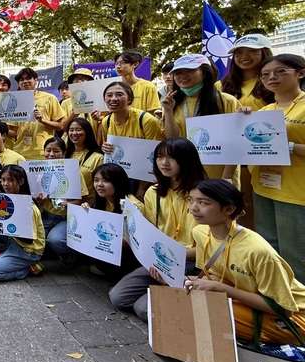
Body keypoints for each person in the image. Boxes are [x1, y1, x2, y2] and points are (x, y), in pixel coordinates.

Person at [174, 179, 305, 344]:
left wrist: (222, 289)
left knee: (207, 310)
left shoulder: (257, 251)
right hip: (251, 303)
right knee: (188, 300)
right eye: (191, 200)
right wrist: (183, 280)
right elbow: (220, 277)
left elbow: (284, 310)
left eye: (203, 202)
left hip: (296, 316)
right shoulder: (200, 233)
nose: (193, 207)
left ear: (229, 209)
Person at [108, 137, 206, 321]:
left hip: (192, 261)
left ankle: (179, 292)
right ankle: (167, 291)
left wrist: (176, 256)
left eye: (171, 158)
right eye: (159, 157)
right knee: (118, 297)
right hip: (160, 258)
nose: (164, 163)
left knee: (143, 309)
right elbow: (150, 232)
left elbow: (211, 245)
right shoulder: (154, 192)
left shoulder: (203, 195)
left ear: (187, 160)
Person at [247, 53, 305, 281]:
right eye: (265, 74)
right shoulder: (264, 111)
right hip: (263, 188)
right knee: (269, 249)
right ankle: (277, 297)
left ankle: (298, 302)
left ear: (301, 73)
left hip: (295, 193)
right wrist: (242, 121)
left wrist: (288, 146)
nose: (272, 77)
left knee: (296, 256)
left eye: (280, 71)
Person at [219, 34, 275, 229]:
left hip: (266, 155)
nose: (244, 56)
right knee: (241, 205)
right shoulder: (221, 85)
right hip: (233, 158)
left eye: (252, 51)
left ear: (265, 53)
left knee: (265, 208)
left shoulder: (273, 83)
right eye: (239, 53)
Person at [161, 54, 239, 183]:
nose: (183, 76)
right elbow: (172, 139)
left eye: (190, 70)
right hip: (184, 174)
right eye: (178, 72)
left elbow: (236, 142)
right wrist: (168, 111)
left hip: (218, 175)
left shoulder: (226, 101)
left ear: (205, 72)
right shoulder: (171, 103)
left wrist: (226, 178)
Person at [96, 80, 164, 199]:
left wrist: (141, 188)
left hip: (143, 179)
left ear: (130, 99)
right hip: (119, 176)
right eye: (109, 95)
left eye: (119, 94)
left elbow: (154, 156)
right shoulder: (106, 121)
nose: (113, 99)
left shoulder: (147, 121)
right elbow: (109, 148)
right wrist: (106, 148)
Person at [0, 165, 45, 281]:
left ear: (21, 181)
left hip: (28, 250)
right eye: (3, 180)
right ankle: (3, 252)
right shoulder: (9, 198)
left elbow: (28, 240)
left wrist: (7, 227)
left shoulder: (28, 206)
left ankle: (26, 269)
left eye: (10, 180)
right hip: (13, 241)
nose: (5, 184)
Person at [82, 162, 142, 276]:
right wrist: (86, 214)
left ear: (119, 182)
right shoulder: (102, 200)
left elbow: (132, 242)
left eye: (106, 180)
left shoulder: (133, 206)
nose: (99, 184)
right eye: (96, 180)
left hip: (130, 253)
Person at [34, 137, 86, 267]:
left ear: (63, 152)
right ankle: (51, 250)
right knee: (34, 240)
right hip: (46, 215)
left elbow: (83, 199)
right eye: (48, 150)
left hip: (66, 218)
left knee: (56, 240)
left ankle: (71, 254)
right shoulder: (38, 170)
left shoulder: (73, 171)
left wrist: (67, 204)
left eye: (56, 151)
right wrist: (40, 201)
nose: (51, 154)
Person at [11, 67, 64, 159]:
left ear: (35, 80)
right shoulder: (14, 102)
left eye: (28, 78)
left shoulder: (50, 98)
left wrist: (43, 120)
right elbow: (14, 133)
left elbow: (60, 126)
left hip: (43, 152)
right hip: (20, 153)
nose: (25, 81)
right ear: (18, 83)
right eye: (21, 80)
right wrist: (0, 127)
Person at [65, 117, 104, 204]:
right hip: (64, 205)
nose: (74, 133)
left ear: (87, 132)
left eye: (78, 130)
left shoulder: (98, 158)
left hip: (88, 205)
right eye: (71, 130)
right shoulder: (64, 155)